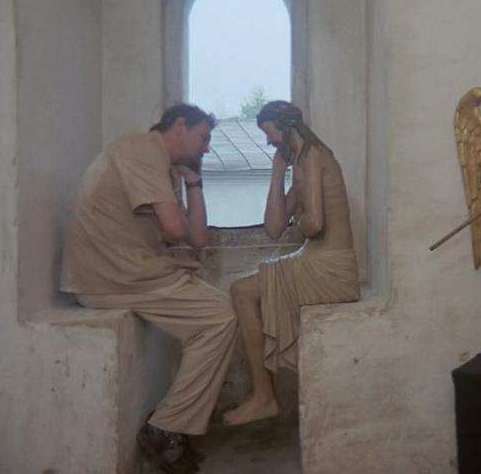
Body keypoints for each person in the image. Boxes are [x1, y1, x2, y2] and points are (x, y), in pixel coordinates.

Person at [60, 104, 236, 473]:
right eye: (203, 137)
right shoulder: (141, 150)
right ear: (180, 125)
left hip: (131, 274)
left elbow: (197, 239)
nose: (207, 147)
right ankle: (166, 427)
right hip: (112, 276)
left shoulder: (162, 166)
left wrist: (194, 181)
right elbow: (174, 231)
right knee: (221, 317)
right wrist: (176, 225)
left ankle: (172, 424)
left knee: (222, 313)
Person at [223, 101, 359, 426]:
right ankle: (263, 395)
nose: (268, 140)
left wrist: (300, 217)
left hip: (330, 267)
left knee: (242, 291)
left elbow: (314, 224)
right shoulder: (299, 161)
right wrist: (276, 173)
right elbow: (273, 228)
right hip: (314, 258)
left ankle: (264, 396)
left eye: (269, 132)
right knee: (242, 289)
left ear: (284, 126)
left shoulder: (313, 156)